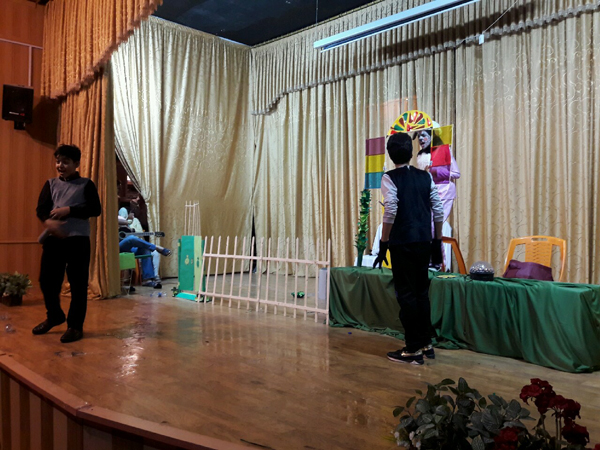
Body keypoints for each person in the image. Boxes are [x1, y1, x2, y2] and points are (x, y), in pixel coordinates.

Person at [373, 132, 444, 365]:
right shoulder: (425, 177)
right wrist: (437, 240)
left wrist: (384, 242)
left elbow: (391, 210)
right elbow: (438, 209)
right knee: (421, 292)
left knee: (406, 295)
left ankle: (413, 349)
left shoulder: (389, 177)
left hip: (402, 243)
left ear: (390, 154)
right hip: (424, 241)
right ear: (411, 152)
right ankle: (426, 343)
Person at [33, 144, 102, 343]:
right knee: (47, 281)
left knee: (78, 284)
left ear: (76, 164)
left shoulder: (86, 184)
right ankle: (54, 315)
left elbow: (95, 209)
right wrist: (47, 221)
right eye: (58, 161)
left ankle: (75, 326)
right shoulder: (50, 184)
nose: (60, 165)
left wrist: (69, 210)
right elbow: (41, 209)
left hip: (78, 240)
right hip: (54, 239)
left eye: (65, 162)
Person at [415, 128, 460, 270]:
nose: (420, 139)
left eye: (423, 135)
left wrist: (436, 170)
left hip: (444, 192)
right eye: (418, 136)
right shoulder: (420, 156)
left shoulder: (444, 150)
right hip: (429, 193)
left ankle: (437, 263)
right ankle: (431, 261)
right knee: (426, 227)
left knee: (435, 226)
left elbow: (456, 173)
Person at [118, 212, 171, 288]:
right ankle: (156, 247)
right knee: (131, 238)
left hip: (128, 249)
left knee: (145, 248)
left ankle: (147, 279)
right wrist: (127, 221)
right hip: (116, 248)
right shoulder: (110, 218)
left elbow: (126, 227)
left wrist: (128, 228)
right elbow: (119, 221)